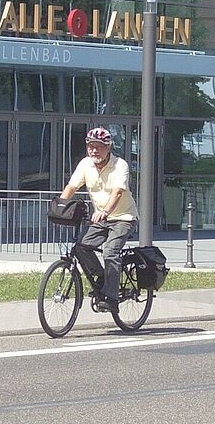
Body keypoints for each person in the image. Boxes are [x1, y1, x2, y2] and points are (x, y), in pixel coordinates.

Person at [59, 127, 139, 312]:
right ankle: (103, 278)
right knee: (80, 246)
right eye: (91, 146)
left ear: (108, 147)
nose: (94, 150)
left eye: (99, 147)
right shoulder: (86, 164)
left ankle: (111, 298)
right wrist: (60, 206)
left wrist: (104, 211)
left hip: (123, 218)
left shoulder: (120, 165)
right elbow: (72, 186)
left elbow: (118, 192)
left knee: (110, 251)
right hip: (101, 218)